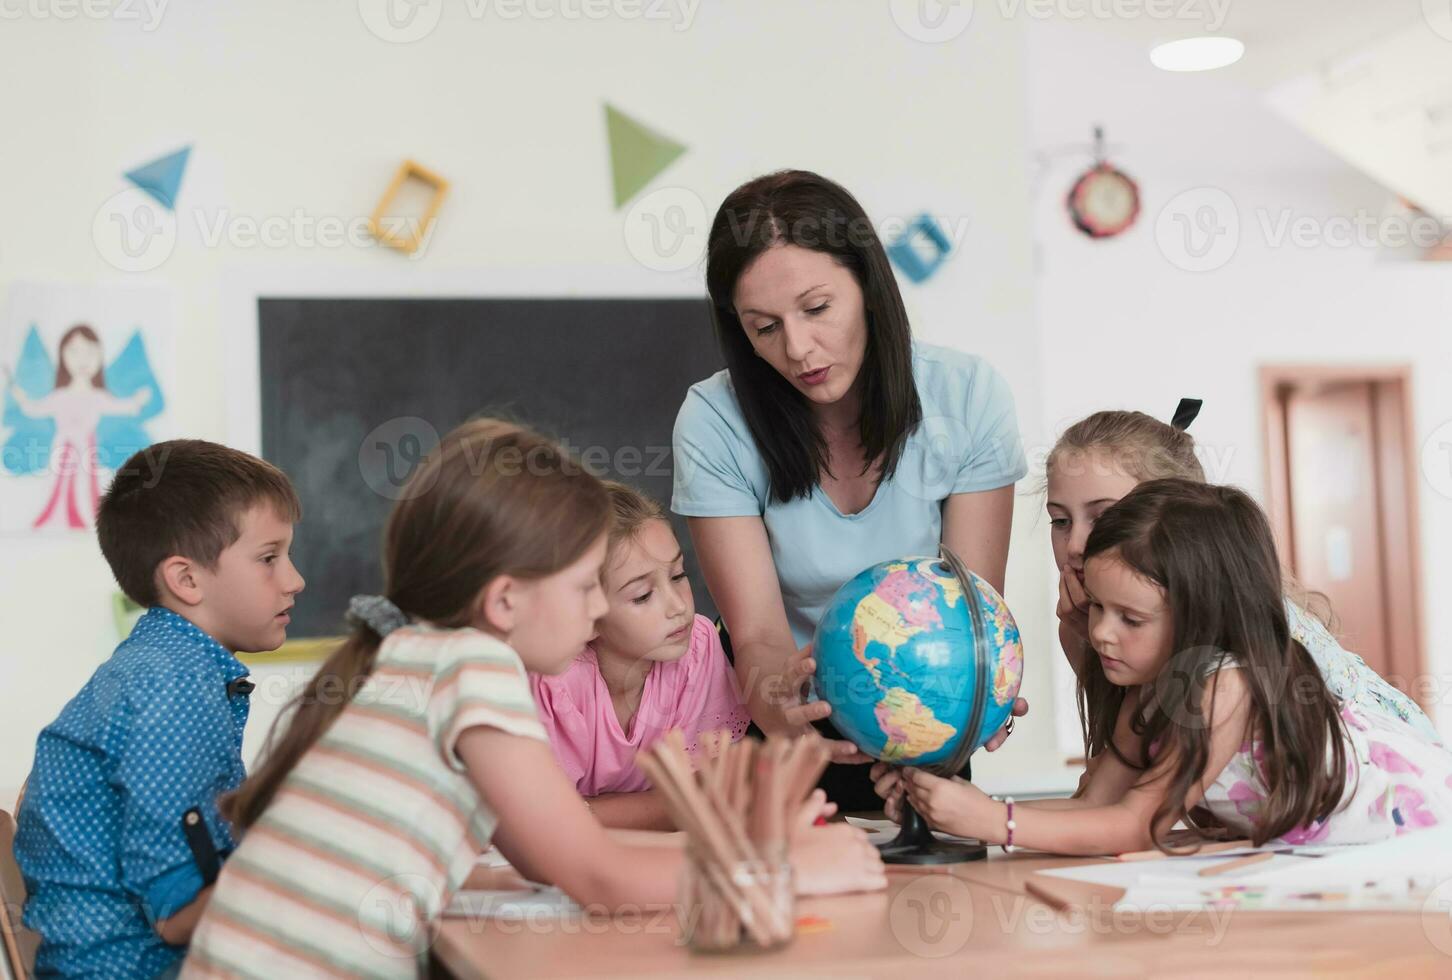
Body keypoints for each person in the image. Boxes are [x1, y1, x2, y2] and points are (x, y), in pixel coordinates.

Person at [183, 419, 885, 979]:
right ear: (506, 600)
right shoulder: (471, 668)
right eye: (585, 588)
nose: (595, 613)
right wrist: (783, 870)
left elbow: (542, 859)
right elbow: (596, 874)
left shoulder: (416, 660)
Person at [673, 169, 1027, 810]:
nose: (799, 349)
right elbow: (756, 635)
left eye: (816, 309)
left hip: (921, 716)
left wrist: (980, 689)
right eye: (764, 327)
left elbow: (968, 608)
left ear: (867, 285)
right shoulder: (714, 419)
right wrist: (791, 722)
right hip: (786, 725)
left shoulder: (968, 396)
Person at [875, 479, 1452, 852]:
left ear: (1201, 614)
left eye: (1131, 617)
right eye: (1098, 606)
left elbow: (1136, 824)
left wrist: (993, 822)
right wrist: (952, 804)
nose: (1100, 632)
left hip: (1415, 830)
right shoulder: (1153, 688)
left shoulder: (1222, 687)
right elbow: (1095, 805)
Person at [14, 440, 305, 978]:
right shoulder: (172, 688)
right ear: (186, 580)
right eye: (269, 558)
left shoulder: (160, 667)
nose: (294, 580)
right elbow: (176, 916)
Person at [531, 482, 750, 830]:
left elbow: (710, 794)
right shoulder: (549, 680)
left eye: (678, 575)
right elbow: (534, 819)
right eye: (642, 595)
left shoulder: (698, 646)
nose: (679, 606)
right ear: (585, 617)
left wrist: (586, 813)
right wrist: (665, 807)